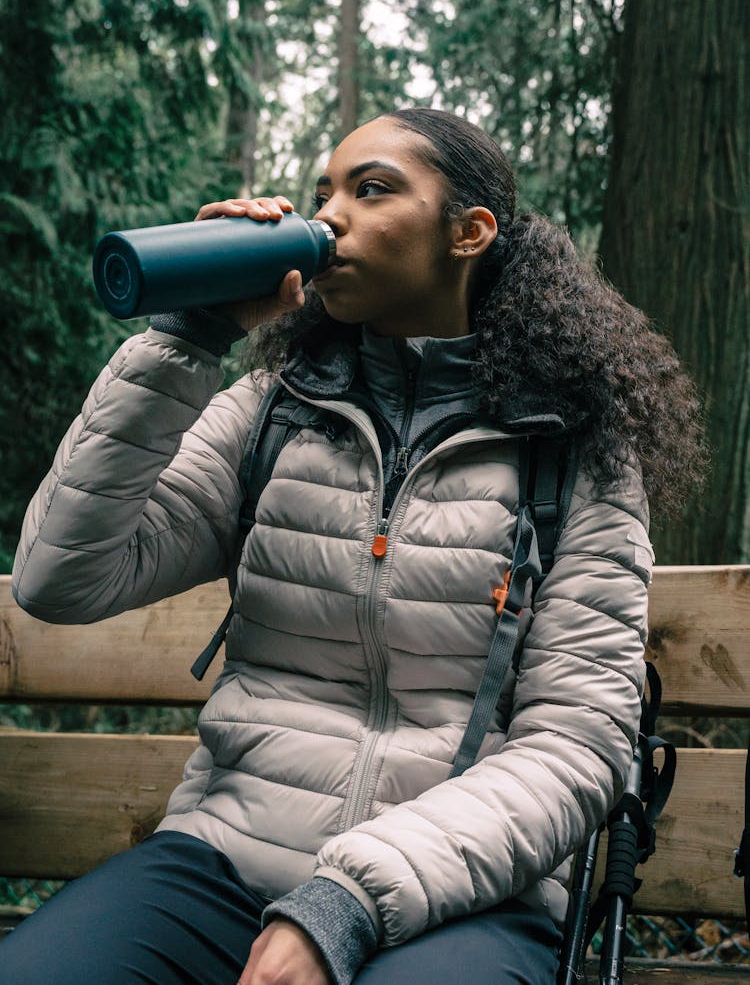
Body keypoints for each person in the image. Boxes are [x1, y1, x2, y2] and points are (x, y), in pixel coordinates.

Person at [6, 108, 703, 985]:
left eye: (370, 190)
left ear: (469, 232)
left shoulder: (570, 451)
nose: (329, 214)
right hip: (225, 863)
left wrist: (344, 901)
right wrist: (188, 336)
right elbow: (57, 578)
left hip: (462, 898)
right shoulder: (269, 413)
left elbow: (574, 747)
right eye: (322, 192)